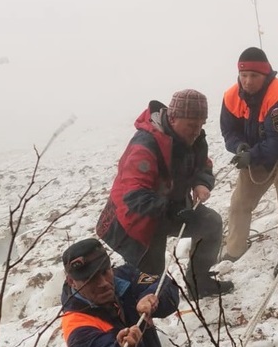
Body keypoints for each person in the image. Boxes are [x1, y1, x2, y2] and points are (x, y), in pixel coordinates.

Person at [96, 88, 233, 299]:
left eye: (200, 125)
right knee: (149, 278)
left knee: (211, 224)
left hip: (170, 210)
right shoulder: (145, 145)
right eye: (191, 125)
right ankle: (134, 322)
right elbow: (135, 196)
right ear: (173, 118)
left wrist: (201, 182)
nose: (196, 131)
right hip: (136, 221)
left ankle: (199, 283)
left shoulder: (193, 140)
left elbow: (203, 164)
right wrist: (174, 211)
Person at [220, 47, 278, 280]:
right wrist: (239, 146)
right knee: (240, 201)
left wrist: (251, 156)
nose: (248, 81)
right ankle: (234, 250)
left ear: (265, 75)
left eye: (254, 76)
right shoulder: (231, 96)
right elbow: (229, 131)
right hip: (257, 152)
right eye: (244, 75)